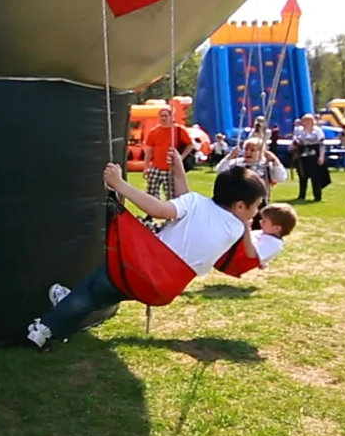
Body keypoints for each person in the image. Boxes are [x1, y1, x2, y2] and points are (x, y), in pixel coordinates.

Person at [26, 154, 267, 349]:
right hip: (163, 289)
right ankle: (67, 304)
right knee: (104, 293)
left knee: (92, 291)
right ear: (240, 205)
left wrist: (119, 184)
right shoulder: (236, 227)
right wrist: (179, 173)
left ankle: (44, 329)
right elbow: (193, 208)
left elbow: (163, 210)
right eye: (257, 206)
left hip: (142, 268)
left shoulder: (196, 204)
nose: (256, 212)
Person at [142, 107, 193, 203]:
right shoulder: (153, 132)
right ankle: (151, 214)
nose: (163, 118)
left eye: (165, 116)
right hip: (156, 166)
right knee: (151, 192)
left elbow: (190, 144)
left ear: (171, 117)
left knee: (171, 194)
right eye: (161, 116)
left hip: (171, 167)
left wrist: (181, 157)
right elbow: (148, 151)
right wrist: (146, 167)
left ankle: (171, 215)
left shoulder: (178, 130)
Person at [236, 202, 297, 270]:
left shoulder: (274, 243)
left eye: (264, 221)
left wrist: (246, 230)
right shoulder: (263, 233)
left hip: (236, 260)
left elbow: (252, 255)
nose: (260, 222)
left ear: (277, 228)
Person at [216, 138, 287, 190]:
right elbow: (220, 171)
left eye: (252, 150)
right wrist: (230, 156)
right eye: (246, 149)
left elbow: (280, 178)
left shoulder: (266, 165)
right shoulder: (237, 163)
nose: (248, 152)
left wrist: (275, 160)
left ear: (261, 152)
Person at [293, 114, 329, 201]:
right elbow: (295, 141)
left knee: (315, 177)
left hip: (314, 155)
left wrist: (321, 157)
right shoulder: (299, 131)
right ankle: (302, 195)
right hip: (302, 155)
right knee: (302, 176)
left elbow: (321, 145)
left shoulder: (317, 131)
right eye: (305, 121)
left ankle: (317, 196)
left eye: (309, 121)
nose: (307, 123)